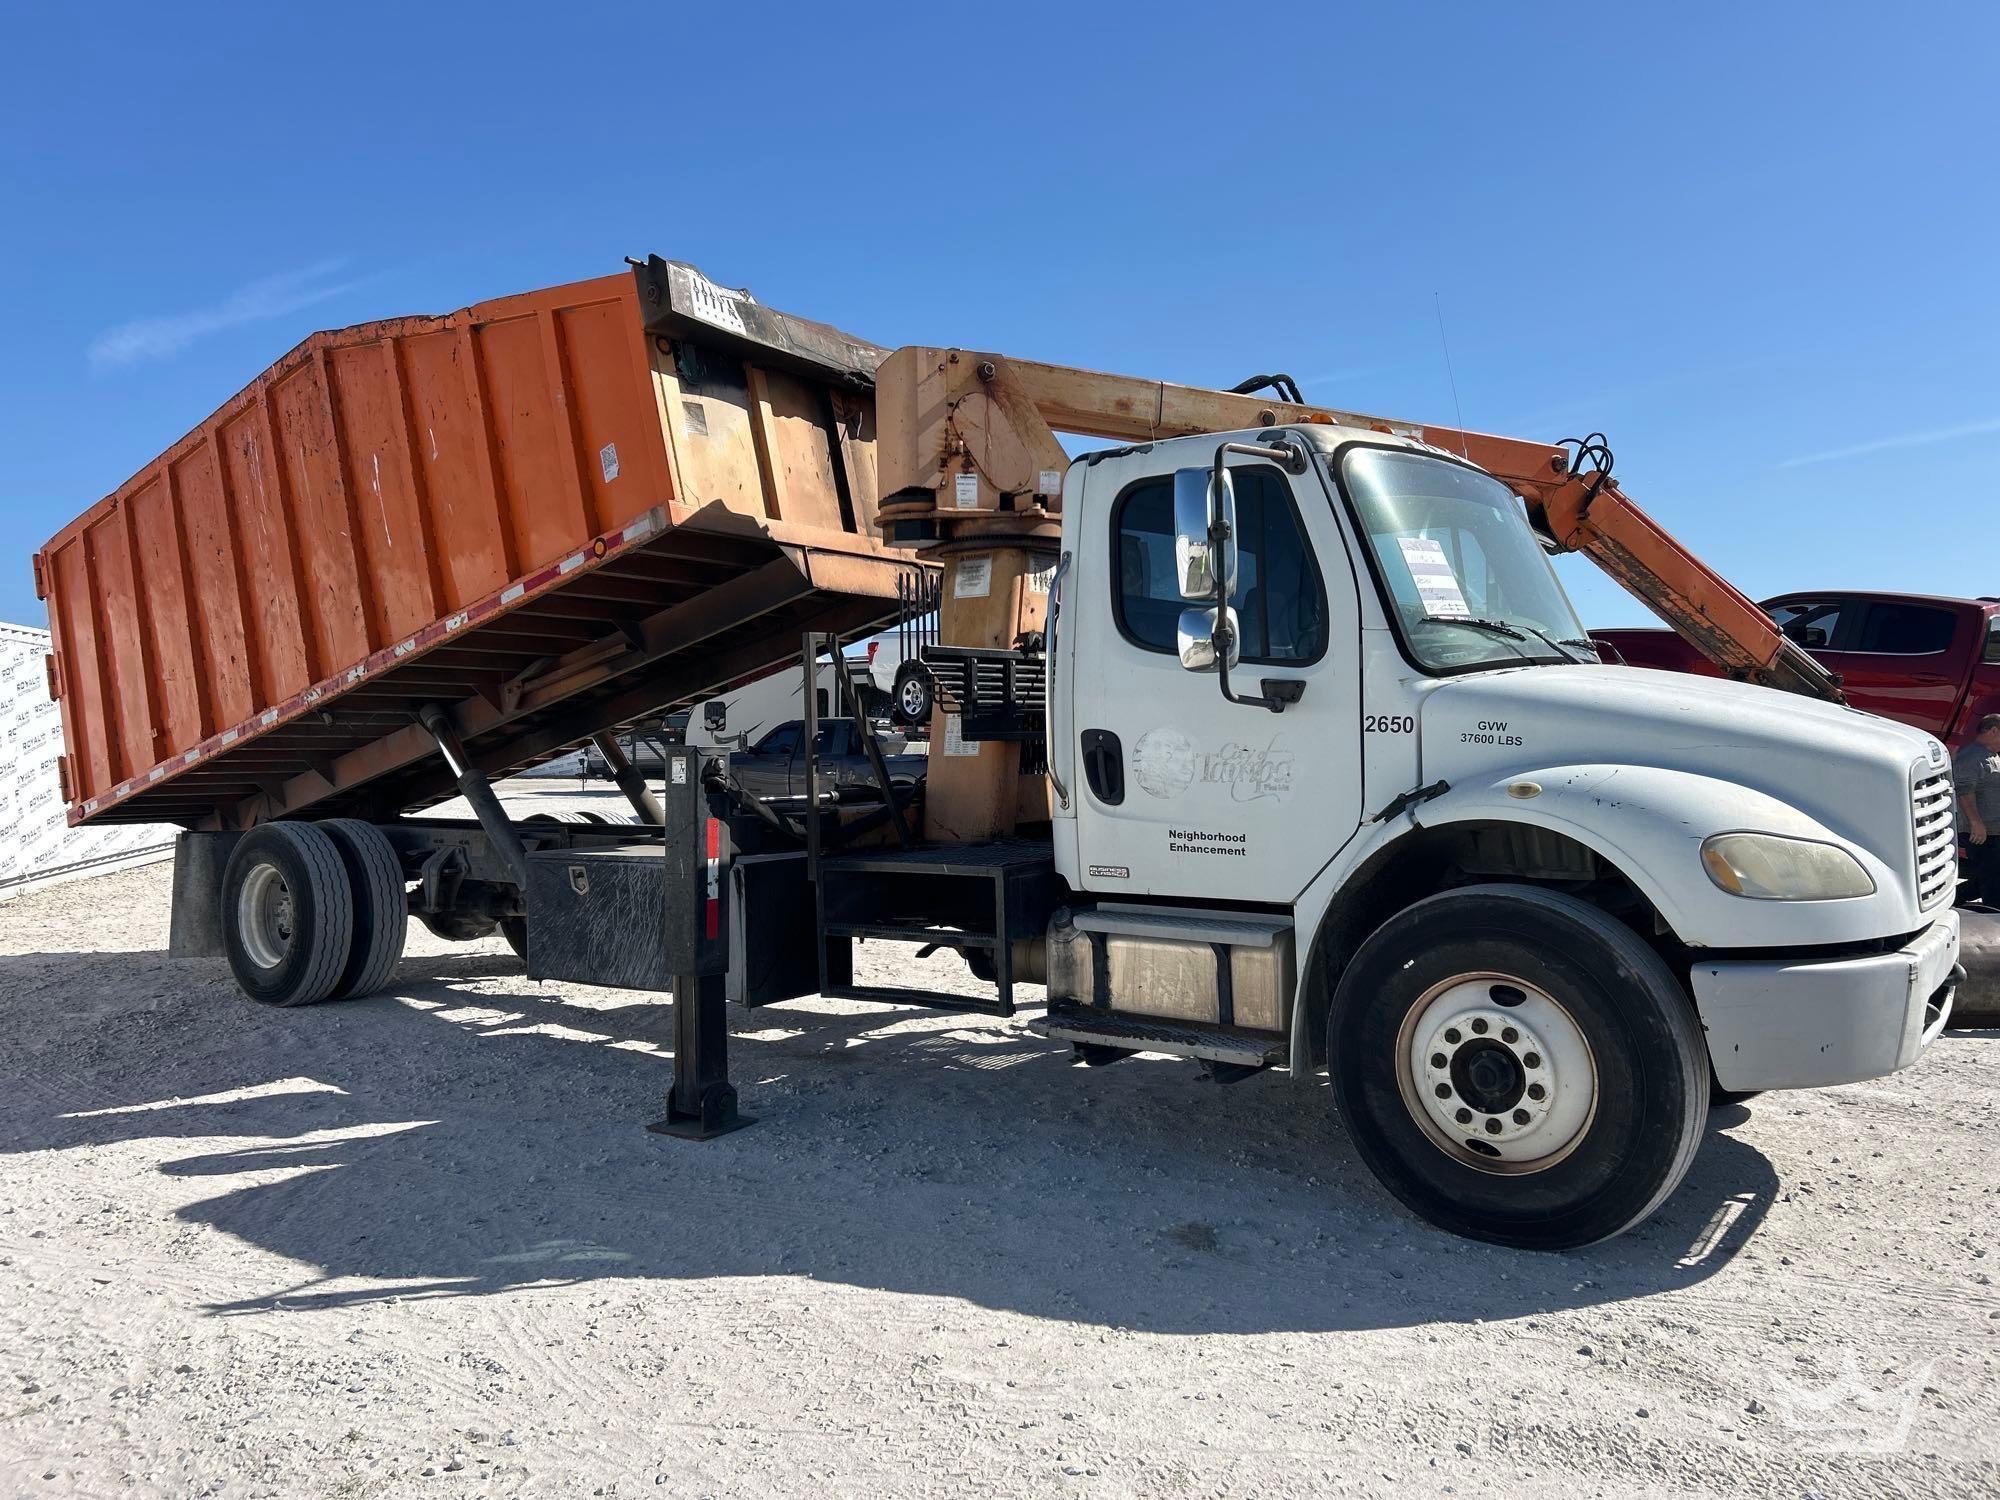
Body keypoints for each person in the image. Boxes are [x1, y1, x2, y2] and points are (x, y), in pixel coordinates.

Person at [1954, 713, 2000, 906]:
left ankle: (1952, 899)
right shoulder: (1971, 757)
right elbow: (1964, 791)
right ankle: (1993, 918)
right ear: (1993, 731)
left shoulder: (1993, 756)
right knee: (1993, 882)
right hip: (1982, 833)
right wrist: (1975, 822)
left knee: (1988, 878)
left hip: (1994, 831)